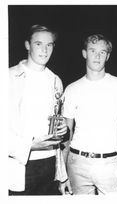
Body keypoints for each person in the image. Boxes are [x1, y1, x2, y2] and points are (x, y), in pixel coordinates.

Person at [62, 34, 117, 195]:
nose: (97, 56)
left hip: (109, 164)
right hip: (76, 163)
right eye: (92, 50)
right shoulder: (71, 88)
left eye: (102, 52)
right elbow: (66, 133)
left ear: (108, 56)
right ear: (84, 53)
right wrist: (62, 173)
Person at [8, 24, 72, 195]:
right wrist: (29, 145)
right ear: (27, 45)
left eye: (49, 45)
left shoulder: (56, 80)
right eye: (38, 44)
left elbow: (56, 119)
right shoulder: (8, 77)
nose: (44, 50)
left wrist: (63, 127)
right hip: (21, 164)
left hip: (51, 162)